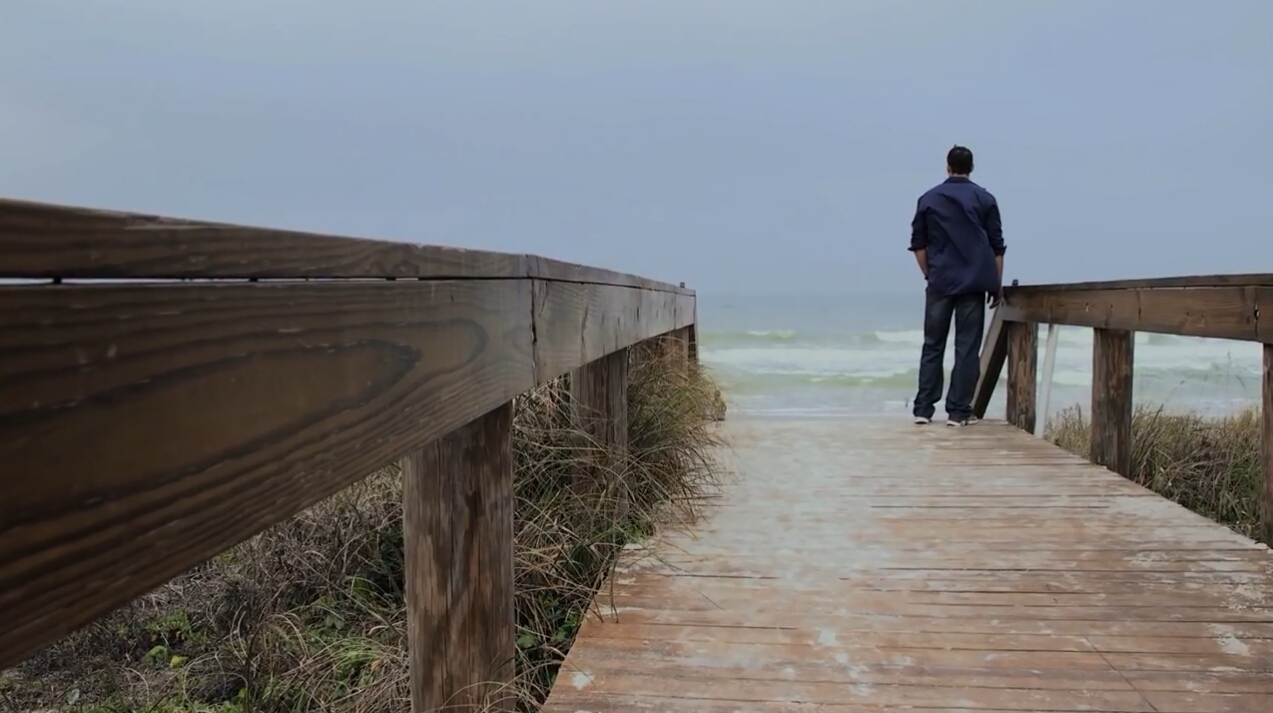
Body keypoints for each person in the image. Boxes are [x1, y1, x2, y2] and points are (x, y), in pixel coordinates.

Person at [907, 145, 1005, 427]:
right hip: (974, 283)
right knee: (966, 347)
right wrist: (995, 284)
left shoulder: (928, 199)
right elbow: (997, 247)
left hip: (940, 281)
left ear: (947, 166)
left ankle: (923, 409)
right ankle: (958, 412)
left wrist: (930, 274)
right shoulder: (984, 199)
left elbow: (919, 246)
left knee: (933, 345)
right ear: (971, 167)